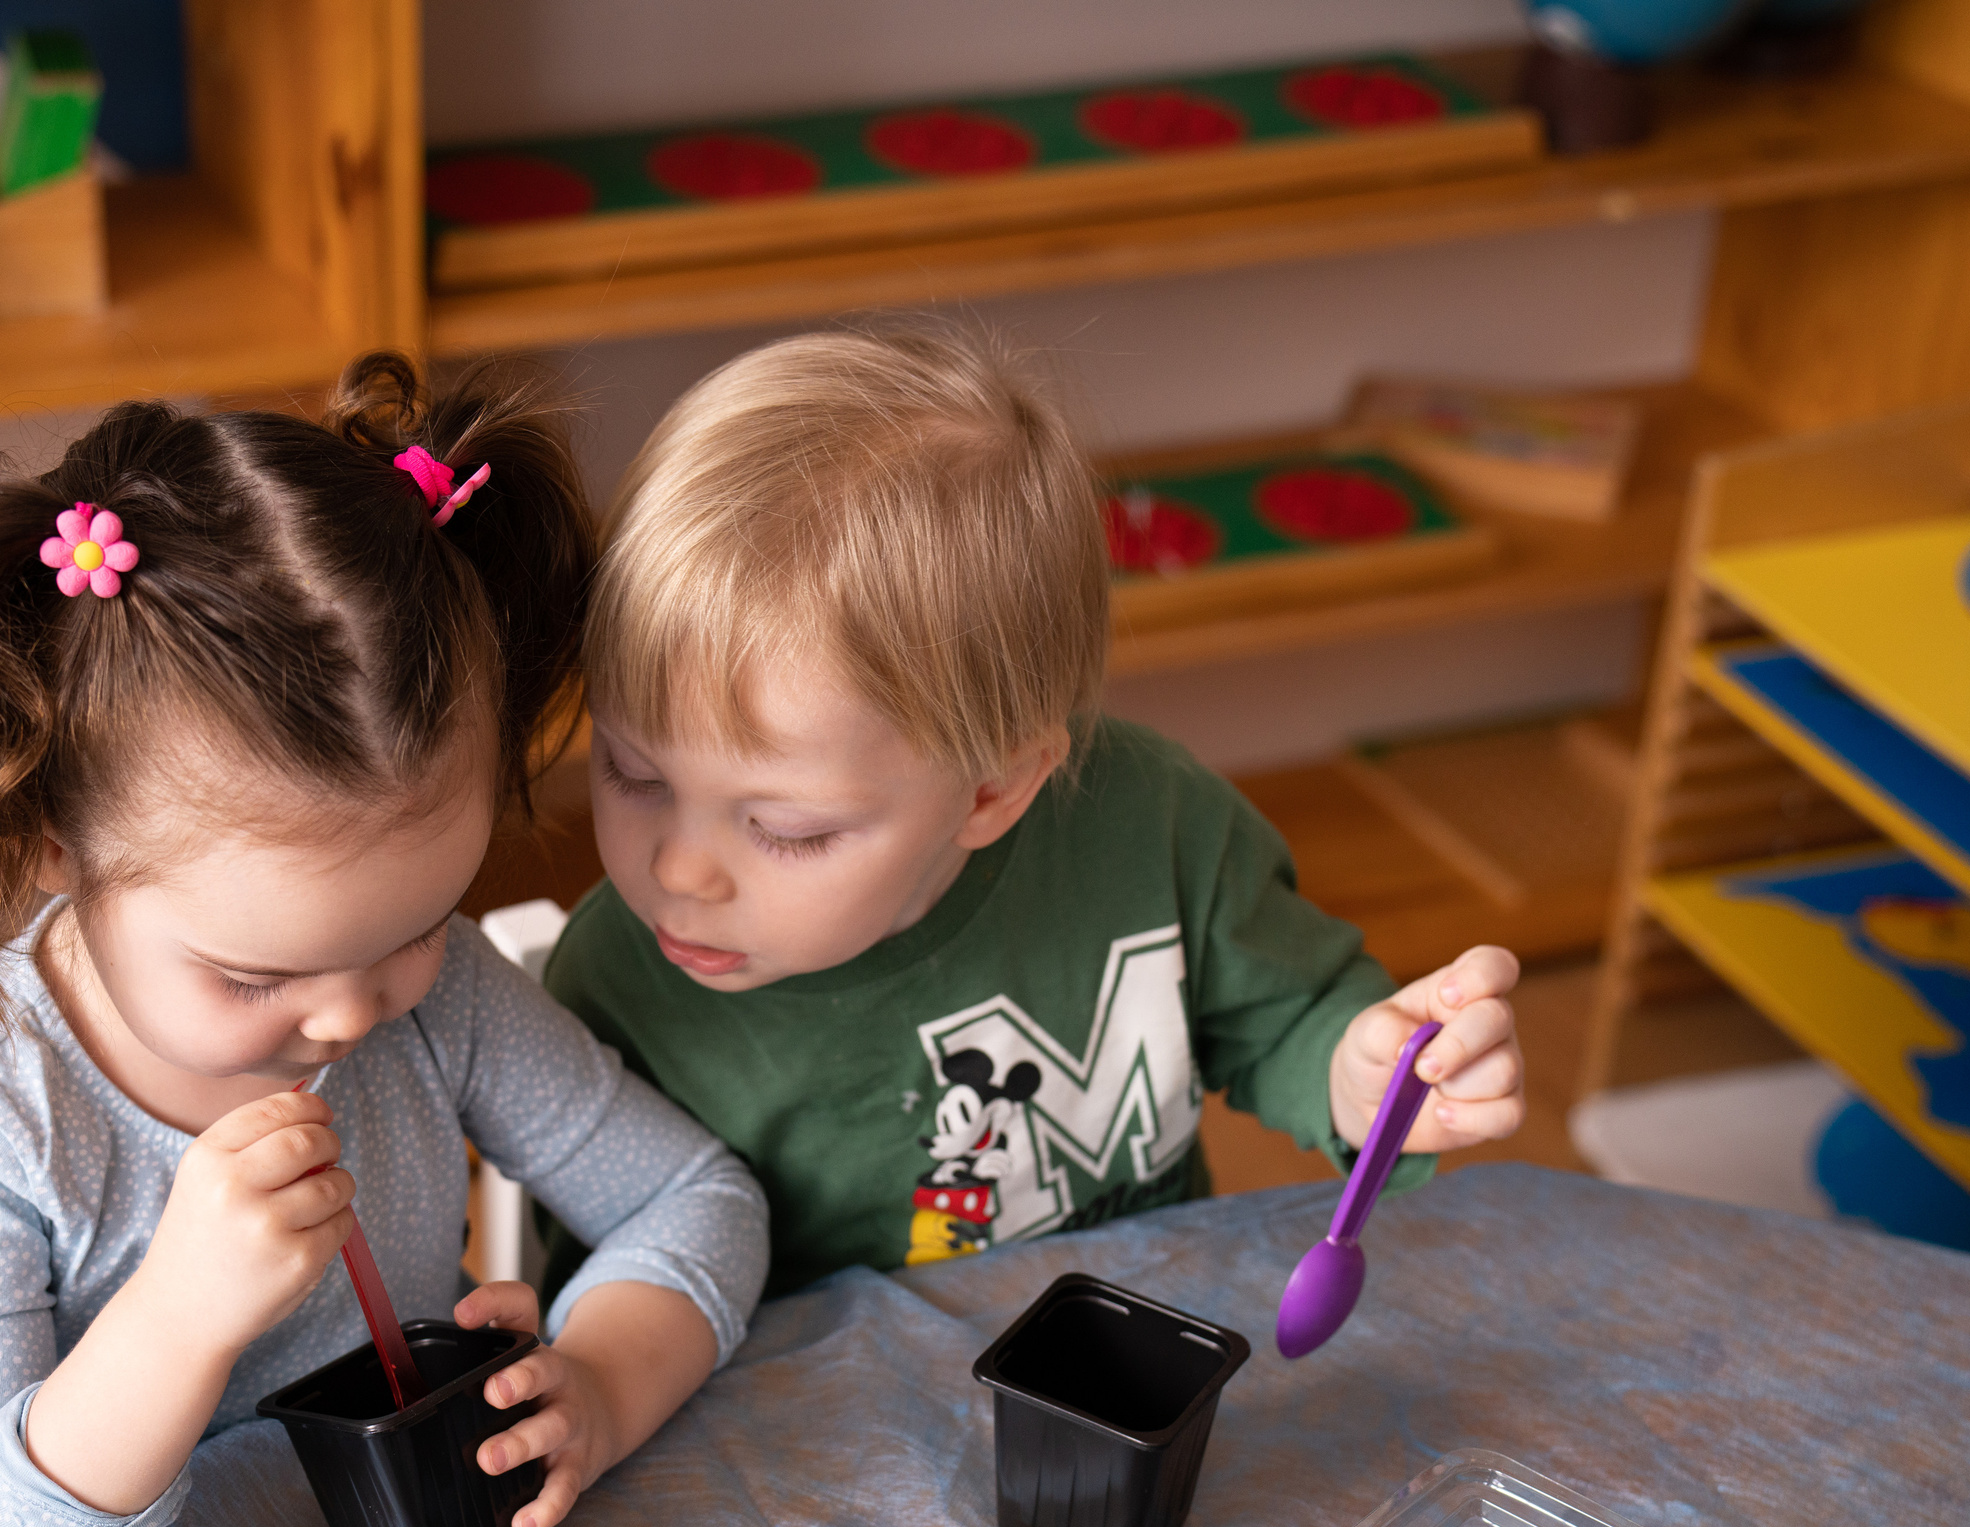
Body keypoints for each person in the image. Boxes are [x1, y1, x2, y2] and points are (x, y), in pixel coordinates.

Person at [0, 356, 768, 1527]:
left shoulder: (435, 1008)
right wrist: (174, 1320)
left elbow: (696, 1200)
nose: (348, 1019)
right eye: (252, 977)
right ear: (54, 847)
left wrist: (604, 1382)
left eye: (412, 931)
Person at [543, 326, 1524, 1297]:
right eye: (632, 774)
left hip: (1126, 1350)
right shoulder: (613, 988)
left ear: (993, 791)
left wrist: (1360, 1081)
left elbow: (1289, 1019)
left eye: (785, 828)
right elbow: (614, 1288)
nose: (678, 870)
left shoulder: (1159, 829)